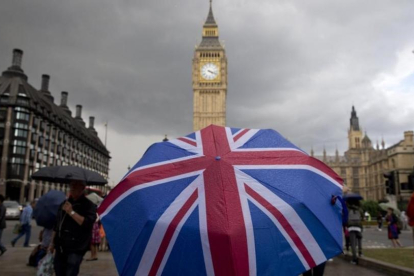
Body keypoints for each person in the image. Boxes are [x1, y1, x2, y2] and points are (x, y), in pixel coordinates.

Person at [48, 180, 96, 276]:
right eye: (71, 185)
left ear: (82, 188)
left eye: (75, 185)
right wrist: (52, 244)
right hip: (61, 246)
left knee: (71, 271)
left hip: (76, 247)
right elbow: (57, 225)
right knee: (58, 270)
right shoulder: (64, 203)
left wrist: (71, 212)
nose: (72, 188)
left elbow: (87, 223)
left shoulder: (88, 205)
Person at [347, 200, 363, 264]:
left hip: (351, 227)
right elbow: (362, 217)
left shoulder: (348, 210)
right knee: (359, 239)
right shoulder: (359, 210)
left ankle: (354, 259)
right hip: (358, 226)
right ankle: (360, 252)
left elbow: (346, 218)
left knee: (353, 243)